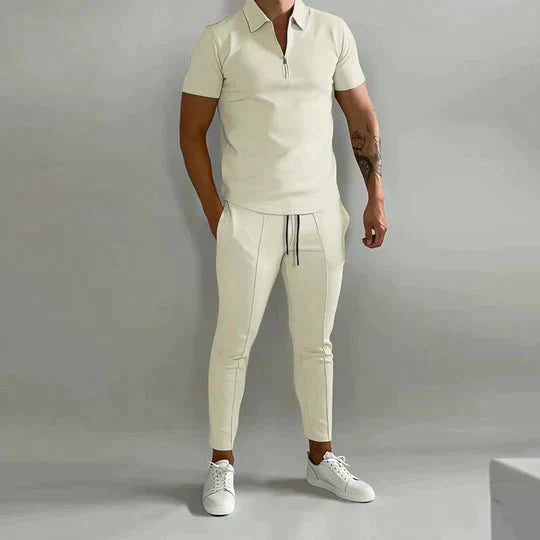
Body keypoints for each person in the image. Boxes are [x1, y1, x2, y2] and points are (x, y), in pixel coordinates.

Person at [179, 0, 387, 516]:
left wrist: (375, 195)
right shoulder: (220, 39)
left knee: (316, 344)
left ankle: (321, 458)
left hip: (320, 215)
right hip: (249, 218)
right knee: (233, 344)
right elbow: (190, 131)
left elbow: (360, 113)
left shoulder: (332, 31)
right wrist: (217, 214)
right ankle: (221, 463)